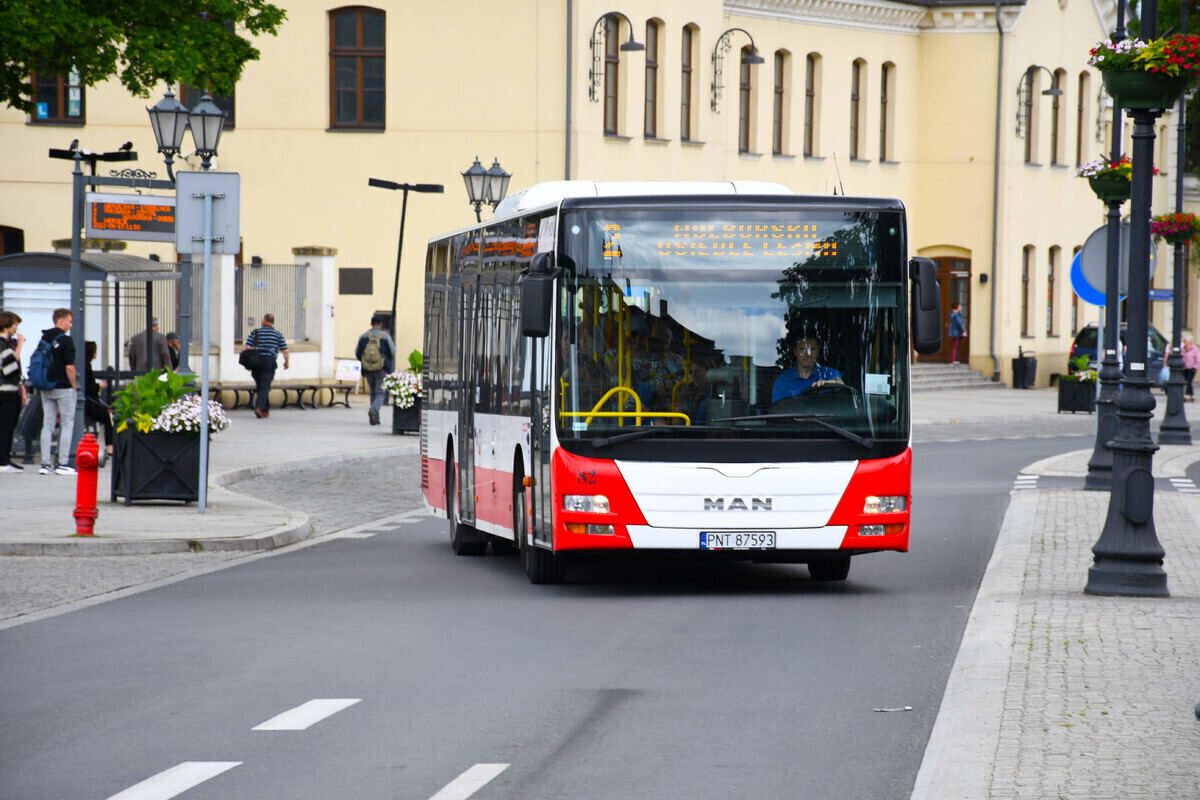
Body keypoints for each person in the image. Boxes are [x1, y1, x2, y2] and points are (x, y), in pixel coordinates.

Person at [38, 308, 77, 475]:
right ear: (60, 321)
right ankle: (62, 463)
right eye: (69, 321)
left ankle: (45, 464)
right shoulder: (66, 341)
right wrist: (74, 385)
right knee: (67, 424)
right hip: (63, 387)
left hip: (46, 387)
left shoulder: (44, 338)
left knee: (47, 424)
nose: (71, 324)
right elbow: (69, 366)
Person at [772, 335, 843, 402]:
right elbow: (779, 410)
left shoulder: (828, 373)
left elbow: (840, 384)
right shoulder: (782, 381)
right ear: (795, 352)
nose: (807, 354)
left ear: (817, 352)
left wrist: (831, 383)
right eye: (802, 349)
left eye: (812, 349)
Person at [244, 313, 289, 418]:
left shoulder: (256, 332)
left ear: (264, 320)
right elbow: (285, 351)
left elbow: (247, 348)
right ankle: (260, 408)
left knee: (261, 385)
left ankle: (265, 409)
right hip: (269, 361)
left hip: (257, 361)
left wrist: (248, 362)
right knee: (265, 386)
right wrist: (286, 362)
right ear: (272, 322)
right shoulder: (277, 334)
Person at [355, 314, 396, 426]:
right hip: (381, 368)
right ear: (381, 324)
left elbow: (357, 353)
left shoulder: (363, 336)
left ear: (371, 324)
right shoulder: (385, 336)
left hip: (367, 369)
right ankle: (374, 410)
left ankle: (375, 418)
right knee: (381, 393)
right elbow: (392, 352)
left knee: (373, 392)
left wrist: (366, 362)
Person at [0, 311, 26, 473]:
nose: (16, 328)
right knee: (6, 426)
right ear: (6, 324)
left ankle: (4, 459)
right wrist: (20, 382)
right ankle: (3, 461)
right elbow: (10, 370)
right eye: (15, 324)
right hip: (6, 392)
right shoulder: (4, 345)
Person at [84, 341, 114, 456]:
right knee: (107, 417)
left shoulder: (86, 365)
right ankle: (110, 447)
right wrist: (98, 386)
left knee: (108, 414)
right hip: (89, 403)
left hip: (90, 401)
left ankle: (110, 446)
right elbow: (88, 388)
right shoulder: (86, 367)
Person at [1182, 333, 1199, 402]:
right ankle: (1192, 395)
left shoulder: (1195, 349)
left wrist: (1194, 367)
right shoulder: (1183, 349)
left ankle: (1185, 395)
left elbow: (1198, 360)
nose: (1184, 342)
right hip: (1184, 368)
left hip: (1191, 369)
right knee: (1188, 382)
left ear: (1189, 342)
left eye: (1185, 341)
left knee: (1188, 382)